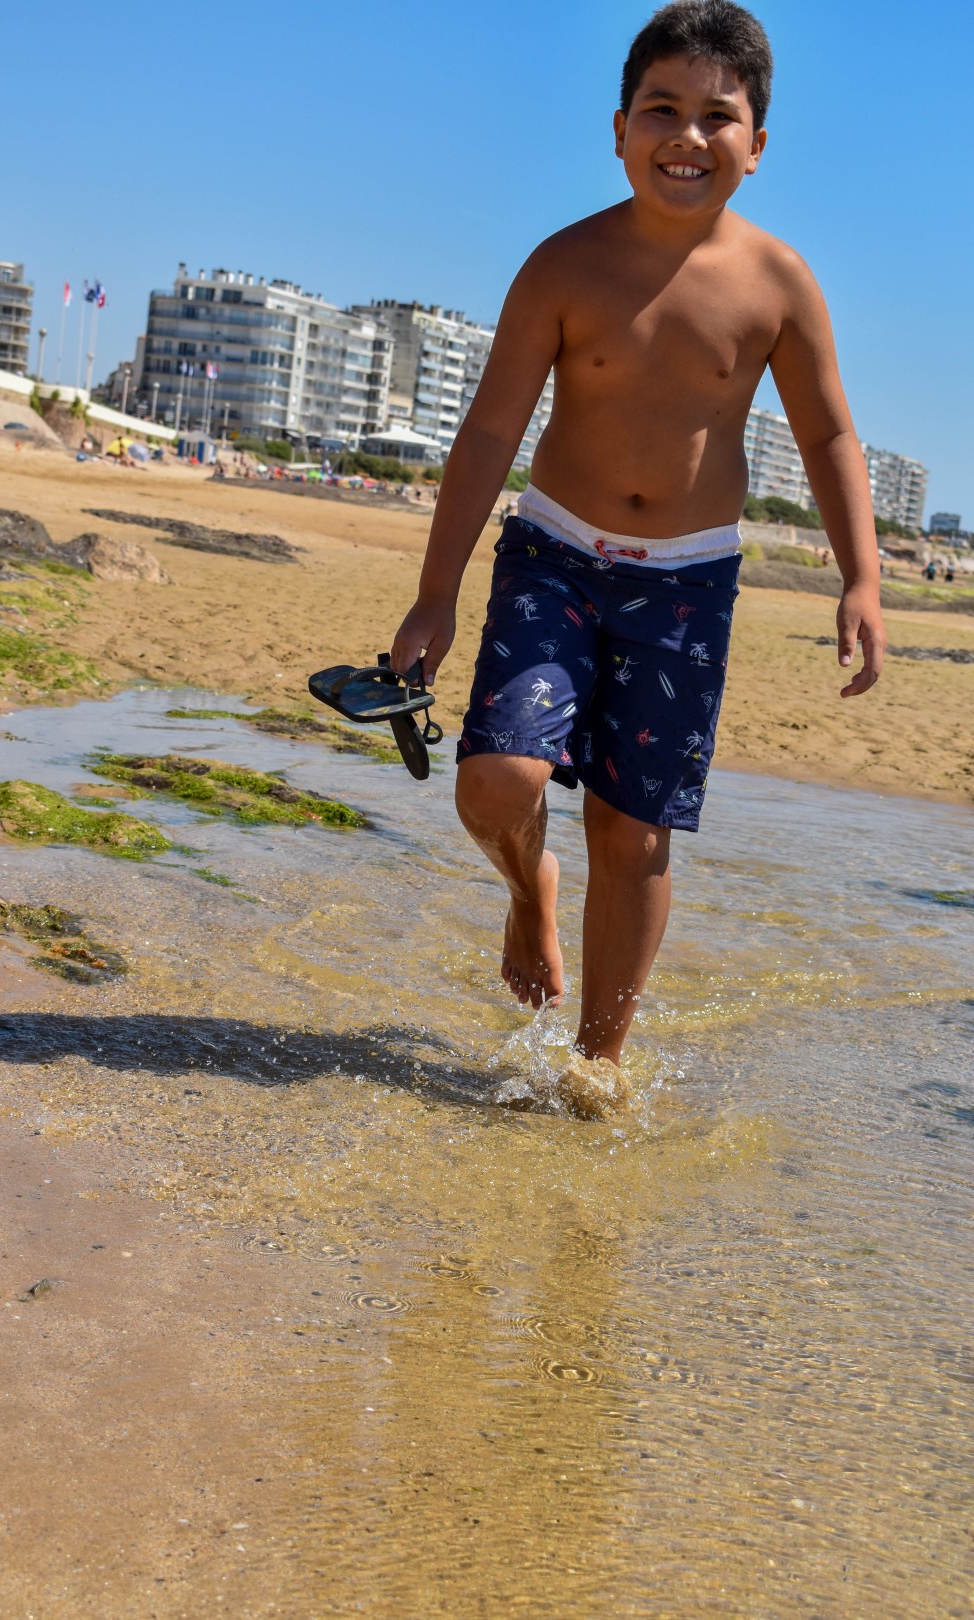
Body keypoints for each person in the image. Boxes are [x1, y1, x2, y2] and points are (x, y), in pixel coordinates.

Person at [390, 0, 885, 1096]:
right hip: (554, 555)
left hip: (688, 585)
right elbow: (490, 432)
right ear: (618, 129)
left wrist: (862, 575)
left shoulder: (779, 283)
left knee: (632, 831)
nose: (687, 135)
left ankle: (596, 1068)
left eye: (718, 116)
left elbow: (829, 435)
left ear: (757, 145)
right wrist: (436, 594)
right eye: (662, 108)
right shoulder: (564, 265)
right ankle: (528, 890)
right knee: (497, 781)